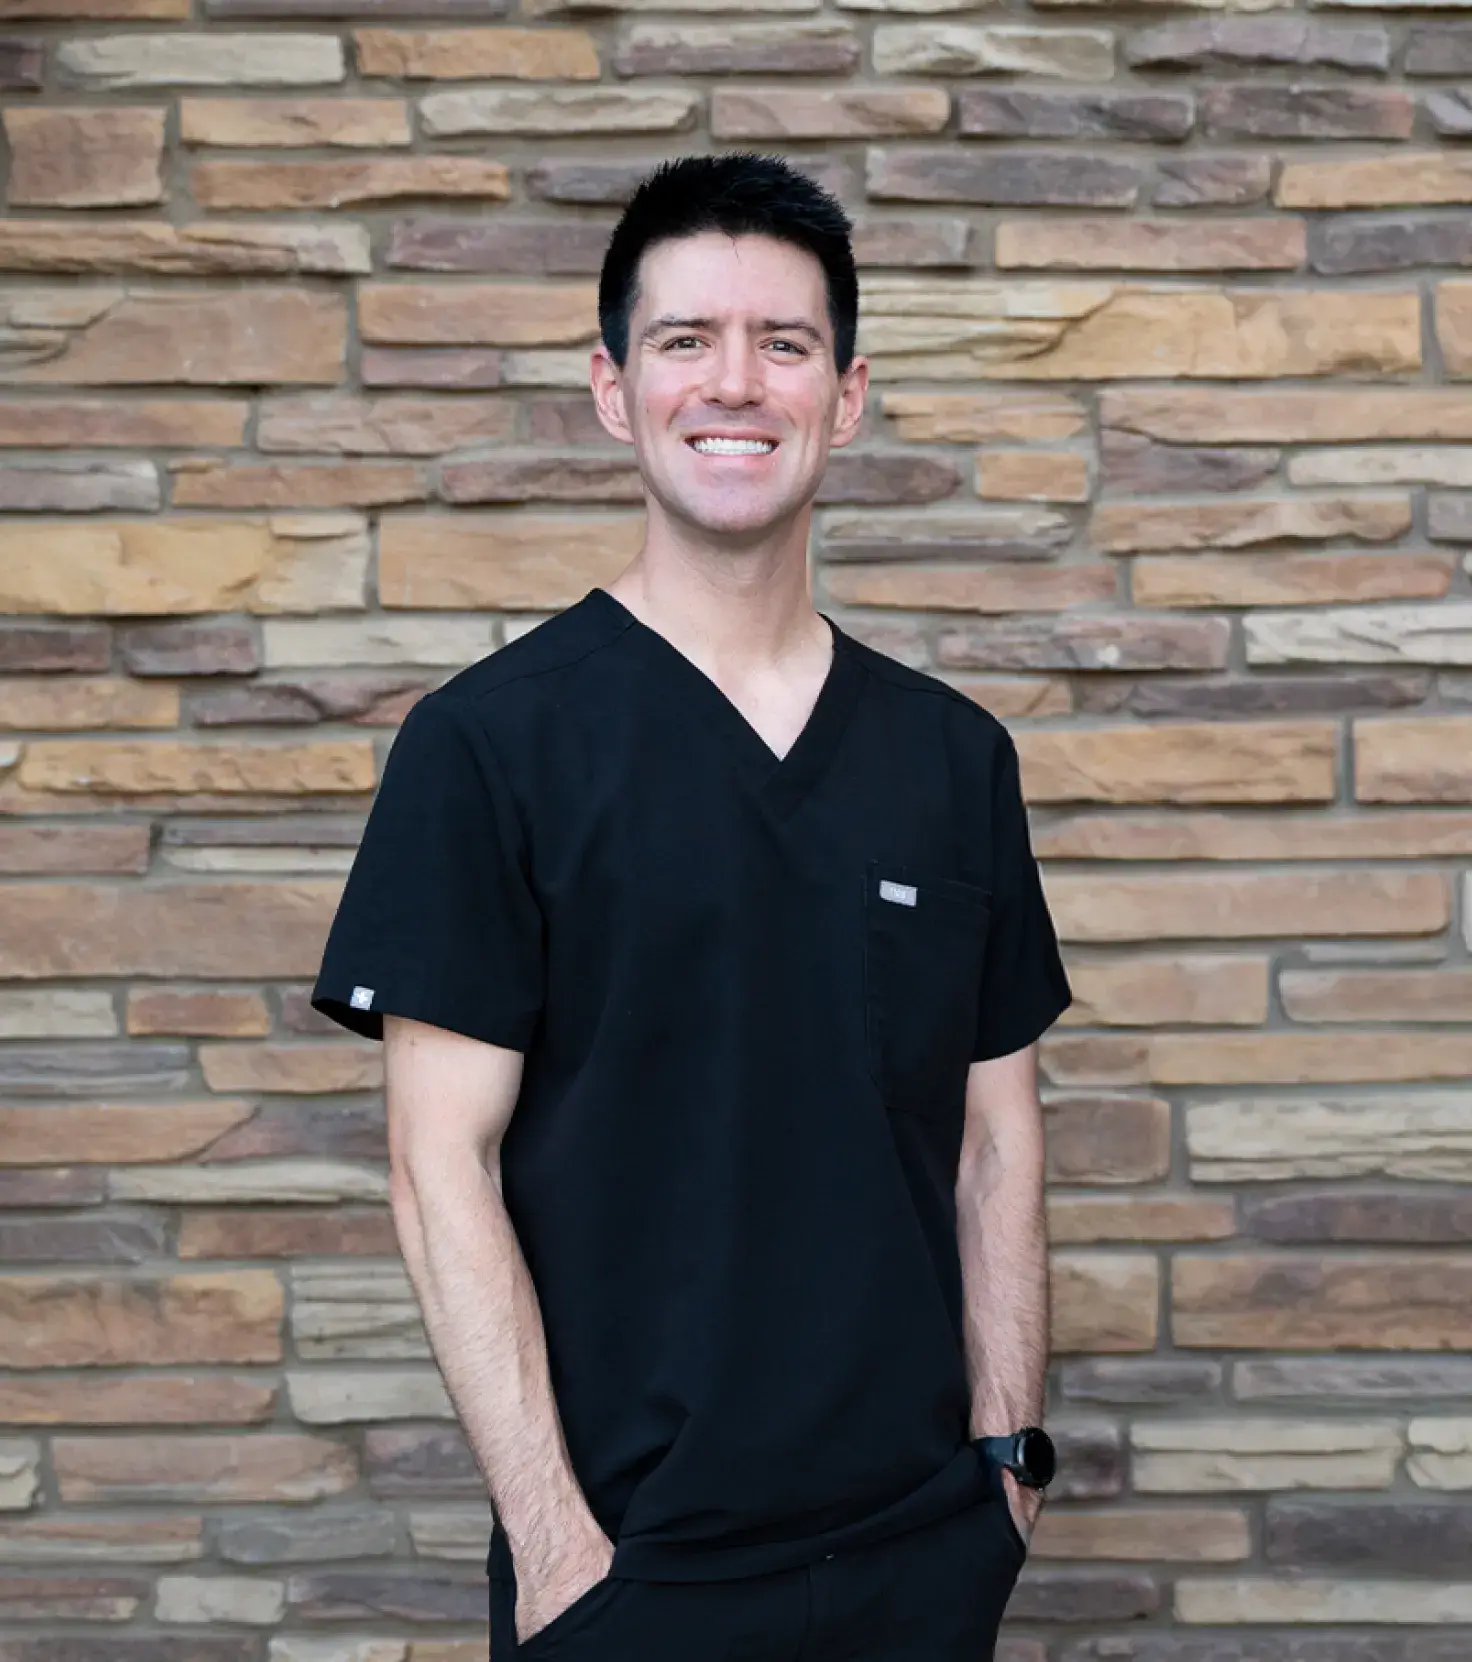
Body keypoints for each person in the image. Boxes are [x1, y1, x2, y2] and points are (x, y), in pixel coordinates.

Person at [312, 152, 1072, 1660]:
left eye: (784, 344)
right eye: (686, 342)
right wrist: (555, 1544)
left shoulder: (950, 756)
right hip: (632, 1576)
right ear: (614, 389)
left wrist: (1006, 1461)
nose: (738, 383)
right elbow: (433, 1164)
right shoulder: (488, 745)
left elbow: (998, 1135)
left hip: (922, 1556)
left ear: (846, 396)